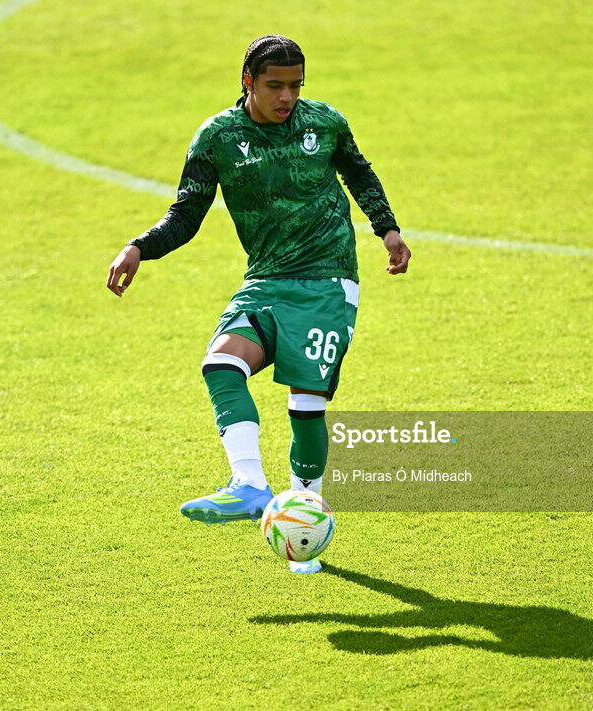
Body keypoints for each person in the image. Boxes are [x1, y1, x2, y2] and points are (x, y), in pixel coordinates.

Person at [106, 35, 410, 570]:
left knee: (306, 405)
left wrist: (387, 229)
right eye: (275, 86)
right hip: (267, 279)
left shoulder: (325, 123)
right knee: (221, 364)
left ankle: (302, 530)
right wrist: (139, 247)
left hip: (326, 282)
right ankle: (248, 484)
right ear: (248, 81)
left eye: (295, 85)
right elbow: (186, 213)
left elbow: (358, 171)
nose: (286, 96)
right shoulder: (218, 137)